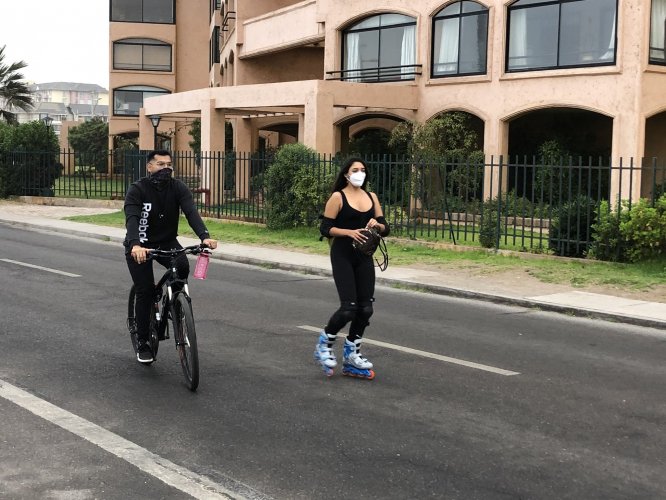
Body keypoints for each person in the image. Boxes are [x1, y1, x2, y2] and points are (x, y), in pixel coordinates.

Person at [124, 149, 217, 363]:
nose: (166, 168)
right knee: (145, 291)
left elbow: (191, 212)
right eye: (160, 164)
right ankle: (144, 342)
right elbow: (132, 219)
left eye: (168, 164)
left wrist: (204, 236)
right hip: (141, 245)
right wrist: (136, 244)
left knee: (182, 266)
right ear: (149, 167)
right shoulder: (137, 190)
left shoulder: (178, 188)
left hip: (167, 241)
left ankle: (176, 305)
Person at [315, 157, 390, 379]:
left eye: (363, 170)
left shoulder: (371, 197)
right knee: (349, 308)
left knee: (366, 308)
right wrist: (349, 232)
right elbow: (325, 228)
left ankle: (352, 354)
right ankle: (325, 343)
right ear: (346, 174)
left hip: (364, 256)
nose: (360, 173)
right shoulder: (338, 197)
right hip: (342, 255)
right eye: (355, 170)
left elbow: (386, 228)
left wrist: (378, 225)